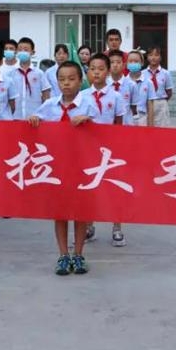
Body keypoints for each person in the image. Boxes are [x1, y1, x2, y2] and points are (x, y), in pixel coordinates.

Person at [28, 61, 97, 276]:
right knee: (60, 211)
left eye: (71, 79)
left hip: (81, 165)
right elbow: (36, 121)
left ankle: (78, 254)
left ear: (80, 81)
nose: (66, 83)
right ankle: (63, 254)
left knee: (80, 210)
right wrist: (34, 119)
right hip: (56, 166)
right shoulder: (50, 105)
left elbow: (102, 131)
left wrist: (88, 120)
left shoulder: (88, 104)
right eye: (62, 79)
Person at [79, 53, 126, 246]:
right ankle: (89, 227)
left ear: (108, 71)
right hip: (88, 149)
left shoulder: (116, 96)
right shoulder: (82, 96)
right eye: (92, 69)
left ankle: (117, 227)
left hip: (110, 150)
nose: (96, 72)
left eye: (100, 69)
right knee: (89, 189)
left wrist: (116, 146)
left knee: (113, 188)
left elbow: (119, 123)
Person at [7, 37, 51, 119]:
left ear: (32, 52)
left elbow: (46, 96)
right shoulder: (10, 74)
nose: (22, 52)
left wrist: (43, 115)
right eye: (20, 49)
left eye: (26, 50)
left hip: (35, 118)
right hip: (15, 117)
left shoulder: (39, 73)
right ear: (16, 52)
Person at [144, 46, 174, 127]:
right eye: (150, 55)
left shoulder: (166, 73)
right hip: (147, 104)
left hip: (161, 103)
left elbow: (169, 92)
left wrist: (161, 101)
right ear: (147, 57)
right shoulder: (143, 74)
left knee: (162, 128)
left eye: (156, 55)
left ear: (160, 57)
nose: (153, 58)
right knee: (147, 127)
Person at [126, 49, 148, 126]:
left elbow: (150, 104)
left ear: (142, 63)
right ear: (126, 63)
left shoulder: (148, 82)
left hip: (143, 118)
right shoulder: (123, 83)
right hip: (127, 118)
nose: (133, 63)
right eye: (130, 61)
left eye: (136, 61)